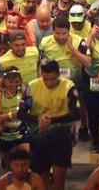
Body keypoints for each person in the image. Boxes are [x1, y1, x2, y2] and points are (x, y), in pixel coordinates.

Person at [20, 60, 80, 190]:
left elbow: (76, 114)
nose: (48, 83)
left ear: (59, 74)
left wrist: (52, 120)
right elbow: (21, 113)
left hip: (61, 133)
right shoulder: (32, 87)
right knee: (42, 178)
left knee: (59, 176)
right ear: (41, 74)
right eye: (45, 79)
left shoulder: (69, 87)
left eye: (52, 79)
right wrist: (39, 118)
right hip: (39, 133)